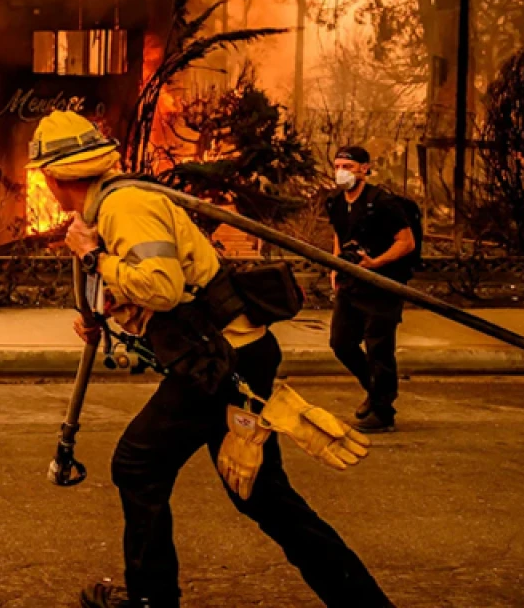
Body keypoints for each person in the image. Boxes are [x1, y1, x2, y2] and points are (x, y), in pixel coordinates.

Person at [28, 111, 391, 608]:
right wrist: (108, 302)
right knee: (263, 497)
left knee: (137, 465)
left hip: (222, 361)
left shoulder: (123, 207)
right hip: (229, 354)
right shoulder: (109, 207)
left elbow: (162, 284)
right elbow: (156, 285)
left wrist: (94, 258)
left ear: (53, 177)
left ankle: (151, 600)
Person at [325, 146, 416, 433]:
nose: (342, 172)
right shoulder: (336, 202)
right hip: (350, 284)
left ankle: (383, 410)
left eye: (348, 167)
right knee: (341, 343)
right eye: (338, 166)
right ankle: (375, 392)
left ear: (364, 168)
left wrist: (375, 263)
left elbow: (406, 242)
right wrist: (335, 268)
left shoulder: (383, 203)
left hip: (383, 284)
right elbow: (340, 238)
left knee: (379, 347)